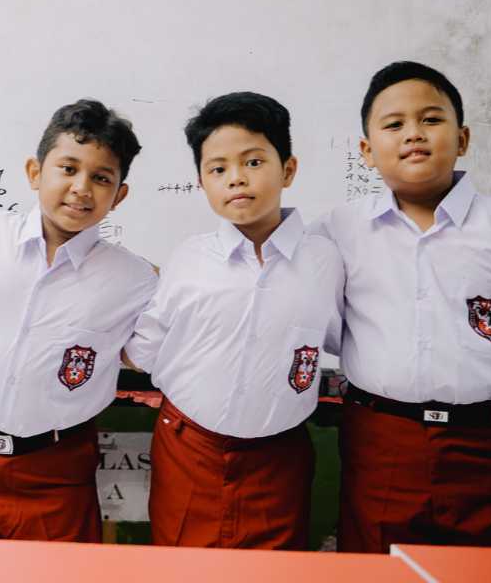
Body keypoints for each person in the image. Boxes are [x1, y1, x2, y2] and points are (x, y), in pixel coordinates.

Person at [315, 61, 491, 551]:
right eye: (394, 124)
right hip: (381, 448)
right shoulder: (336, 234)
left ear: (462, 138)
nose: (413, 135)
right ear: (367, 150)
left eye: (431, 119)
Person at [0, 99, 158, 541]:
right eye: (68, 168)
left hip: (55, 471)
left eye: (101, 178)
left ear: (119, 196)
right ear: (35, 172)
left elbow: (153, 354)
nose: (81, 188)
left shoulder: (133, 279)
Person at [126, 92, 343, 549]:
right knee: (183, 569)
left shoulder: (327, 260)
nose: (236, 179)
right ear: (202, 182)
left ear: (288, 169)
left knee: (275, 572)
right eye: (217, 169)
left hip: (278, 455)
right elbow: (145, 349)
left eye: (253, 162)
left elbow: (348, 341)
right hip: (190, 447)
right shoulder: (188, 259)